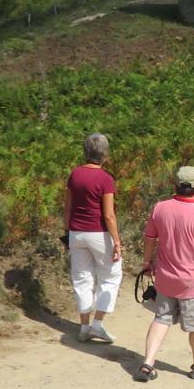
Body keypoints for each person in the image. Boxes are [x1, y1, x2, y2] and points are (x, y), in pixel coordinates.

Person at [135, 166, 194, 382]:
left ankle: (147, 363)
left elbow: (149, 238)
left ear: (175, 185)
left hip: (166, 279)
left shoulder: (160, 208)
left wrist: (147, 262)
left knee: (161, 319)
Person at [65, 132, 123, 343]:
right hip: (99, 233)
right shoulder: (106, 179)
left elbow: (68, 207)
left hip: (76, 232)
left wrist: (66, 233)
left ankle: (84, 326)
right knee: (111, 275)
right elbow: (108, 214)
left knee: (82, 279)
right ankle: (97, 324)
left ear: (86, 151)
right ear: (105, 154)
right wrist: (117, 241)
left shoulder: (75, 174)